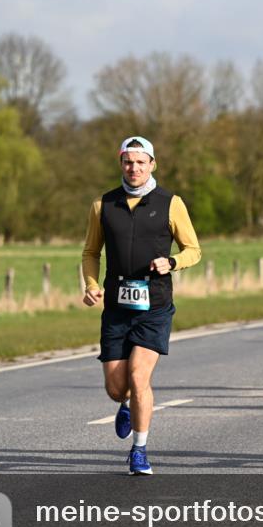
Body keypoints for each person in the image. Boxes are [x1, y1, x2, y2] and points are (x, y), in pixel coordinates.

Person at [81, 136, 201, 475]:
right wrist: (91, 285)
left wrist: (172, 263)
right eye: (128, 162)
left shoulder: (170, 203)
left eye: (141, 162)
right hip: (117, 308)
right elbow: (91, 253)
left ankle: (140, 450)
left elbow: (194, 249)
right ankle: (124, 404)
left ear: (152, 164)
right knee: (116, 388)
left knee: (138, 376)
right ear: (121, 164)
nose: (134, 168)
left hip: (155, 306)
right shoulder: (103, 205)